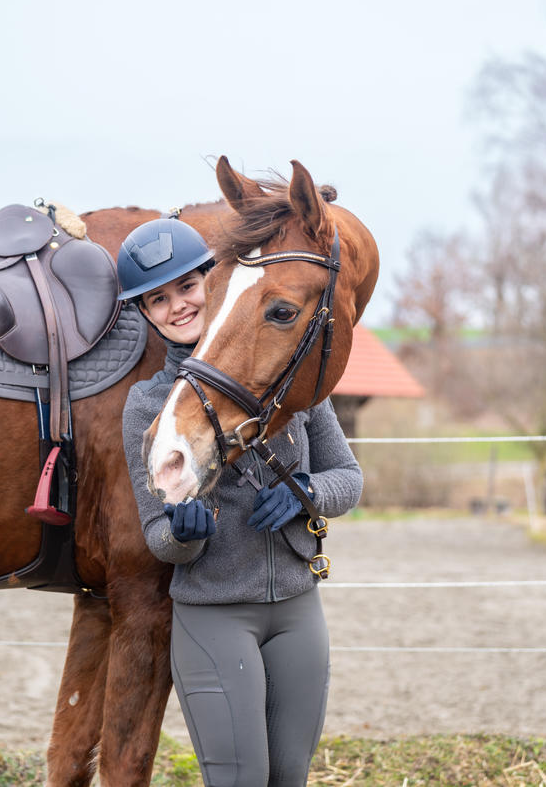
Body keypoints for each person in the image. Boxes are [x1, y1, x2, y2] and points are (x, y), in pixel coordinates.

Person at [118, 216, 363, 786]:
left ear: (216, 279)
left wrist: (307, 492)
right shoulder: (148, 406)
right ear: (146, 314)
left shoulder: (290, 370)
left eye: (187, 285)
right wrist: (185, 532)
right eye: (158, 300)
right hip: (215, 615)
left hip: (300, 611)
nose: (178, 305)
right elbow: (159, 539)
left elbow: (348, 479)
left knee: (289, 778)